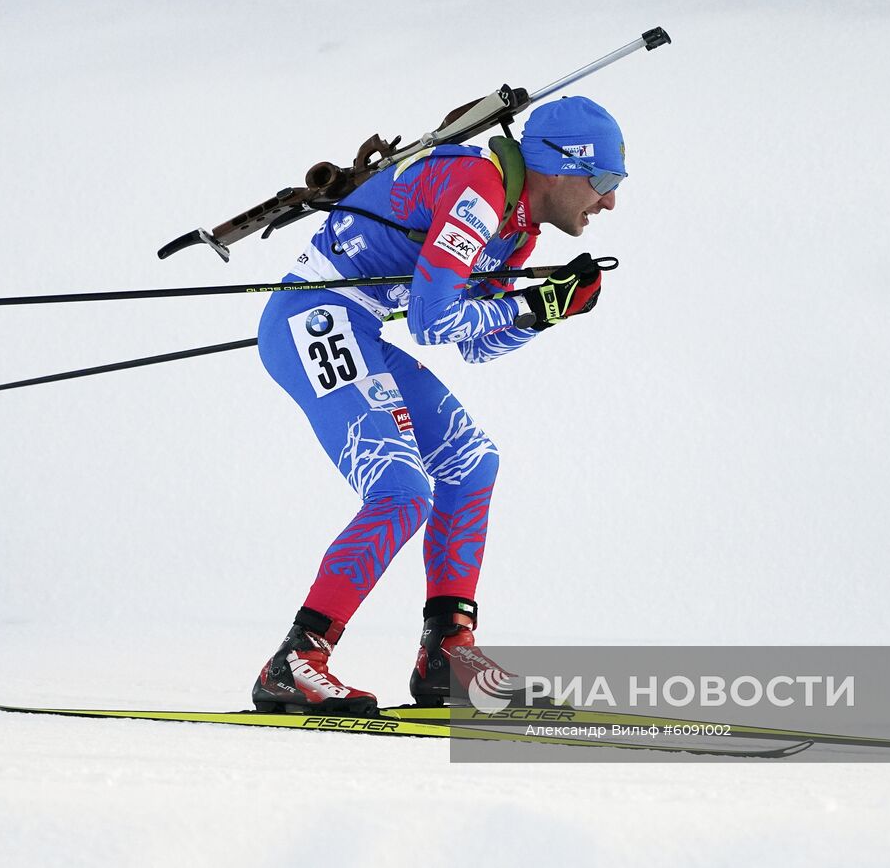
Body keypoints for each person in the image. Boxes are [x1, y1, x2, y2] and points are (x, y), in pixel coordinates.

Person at [252, 96, 626, 714]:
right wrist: (533, 307)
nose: (610, 202)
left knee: (471, 462)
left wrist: (549, 313)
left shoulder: (517, 227)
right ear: (559, 167)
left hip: (359, 327)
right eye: (604, 181)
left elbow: (477, 343)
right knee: (402, 490)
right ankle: (296, 658)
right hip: (310, 320)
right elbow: (432, 321)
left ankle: (447, 655)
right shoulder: (478, 191)